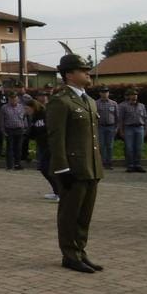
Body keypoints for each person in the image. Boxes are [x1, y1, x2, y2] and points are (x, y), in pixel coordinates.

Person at [47, 54, 104, 273]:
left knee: (84, 214)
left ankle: (80, 251)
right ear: (69, 74)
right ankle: (69, 255)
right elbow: (56, 137)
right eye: (83, 70)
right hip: (72, 168)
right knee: (70, 214)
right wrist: (62, 168)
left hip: (91, 167)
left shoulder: (89, 101)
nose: (87, 73)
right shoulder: (60, 101)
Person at [27, 91, 60, 201]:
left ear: (33, 107)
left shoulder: (45, 114)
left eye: (28, 109)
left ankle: (60, 192)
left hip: (49, 145)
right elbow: (32, 133)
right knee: (43, 168)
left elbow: (50, 129)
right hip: (41, 146)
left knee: (47, 168)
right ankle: (56, 192)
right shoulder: (34, 118)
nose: (26, 111)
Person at [118, 89, 147, 172]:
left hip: (140, 127)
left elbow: (145, 119)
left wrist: (145, 130)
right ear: (129, 96)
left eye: (136, 94)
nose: (135, 96)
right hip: (129, 128)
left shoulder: (142, 106)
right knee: (129, 147)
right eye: (132, 94)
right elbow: (121, 120)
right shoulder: (123, 106)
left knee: (139, 147)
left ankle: (138, 164)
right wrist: (121, 131)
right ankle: (130, 165)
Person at [0, 91, 28, 170]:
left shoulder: (21, 107)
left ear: (17, 99)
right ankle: (9, 165)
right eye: (11, 98)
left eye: (15, 98)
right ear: (9, 99)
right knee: (10, 148)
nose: (13, 100)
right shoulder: (4, 108)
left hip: (20, 130)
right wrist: (3, 130)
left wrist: (25, 128)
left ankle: (17, 164)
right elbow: (1, 120)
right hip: (9, 130)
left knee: (18, 148)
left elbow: (24, 118)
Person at [95, 86, 118, 170]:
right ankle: (102, 163)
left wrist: (116, 128)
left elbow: (117, 116)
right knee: (101, 146)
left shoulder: (113, 103)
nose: (104, 94)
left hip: (111, 127)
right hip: (100, 127)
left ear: (108, 93)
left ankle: (109, 163)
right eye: (102, 92)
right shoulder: (96, 103)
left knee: (110, 146)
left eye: (106, 92)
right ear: (100, 93)